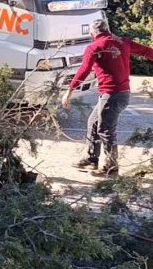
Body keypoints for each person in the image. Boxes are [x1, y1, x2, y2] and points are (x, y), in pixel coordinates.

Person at [62, 18, 153, 176]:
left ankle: (111, 167)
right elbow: (147, 51)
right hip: (121, 93)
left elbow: (84, 70)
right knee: (94, 121)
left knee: (105, 130)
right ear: (108, 29)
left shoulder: (94, 47)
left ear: (92, 33)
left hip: (112, 94)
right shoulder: (123, 42)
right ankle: (91, 159)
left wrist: (69, 91)